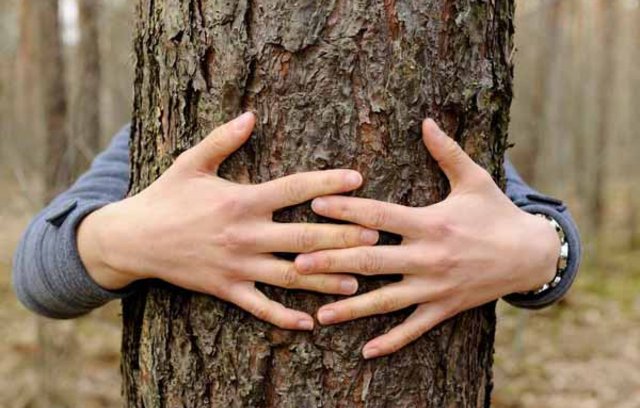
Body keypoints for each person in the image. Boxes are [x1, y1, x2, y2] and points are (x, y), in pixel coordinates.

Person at [12, 112, 581, 359]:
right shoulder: (160, 134)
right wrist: (124, 240)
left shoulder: (436, 119)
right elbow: (35, 274)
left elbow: (542, 228)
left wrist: (537, 253)